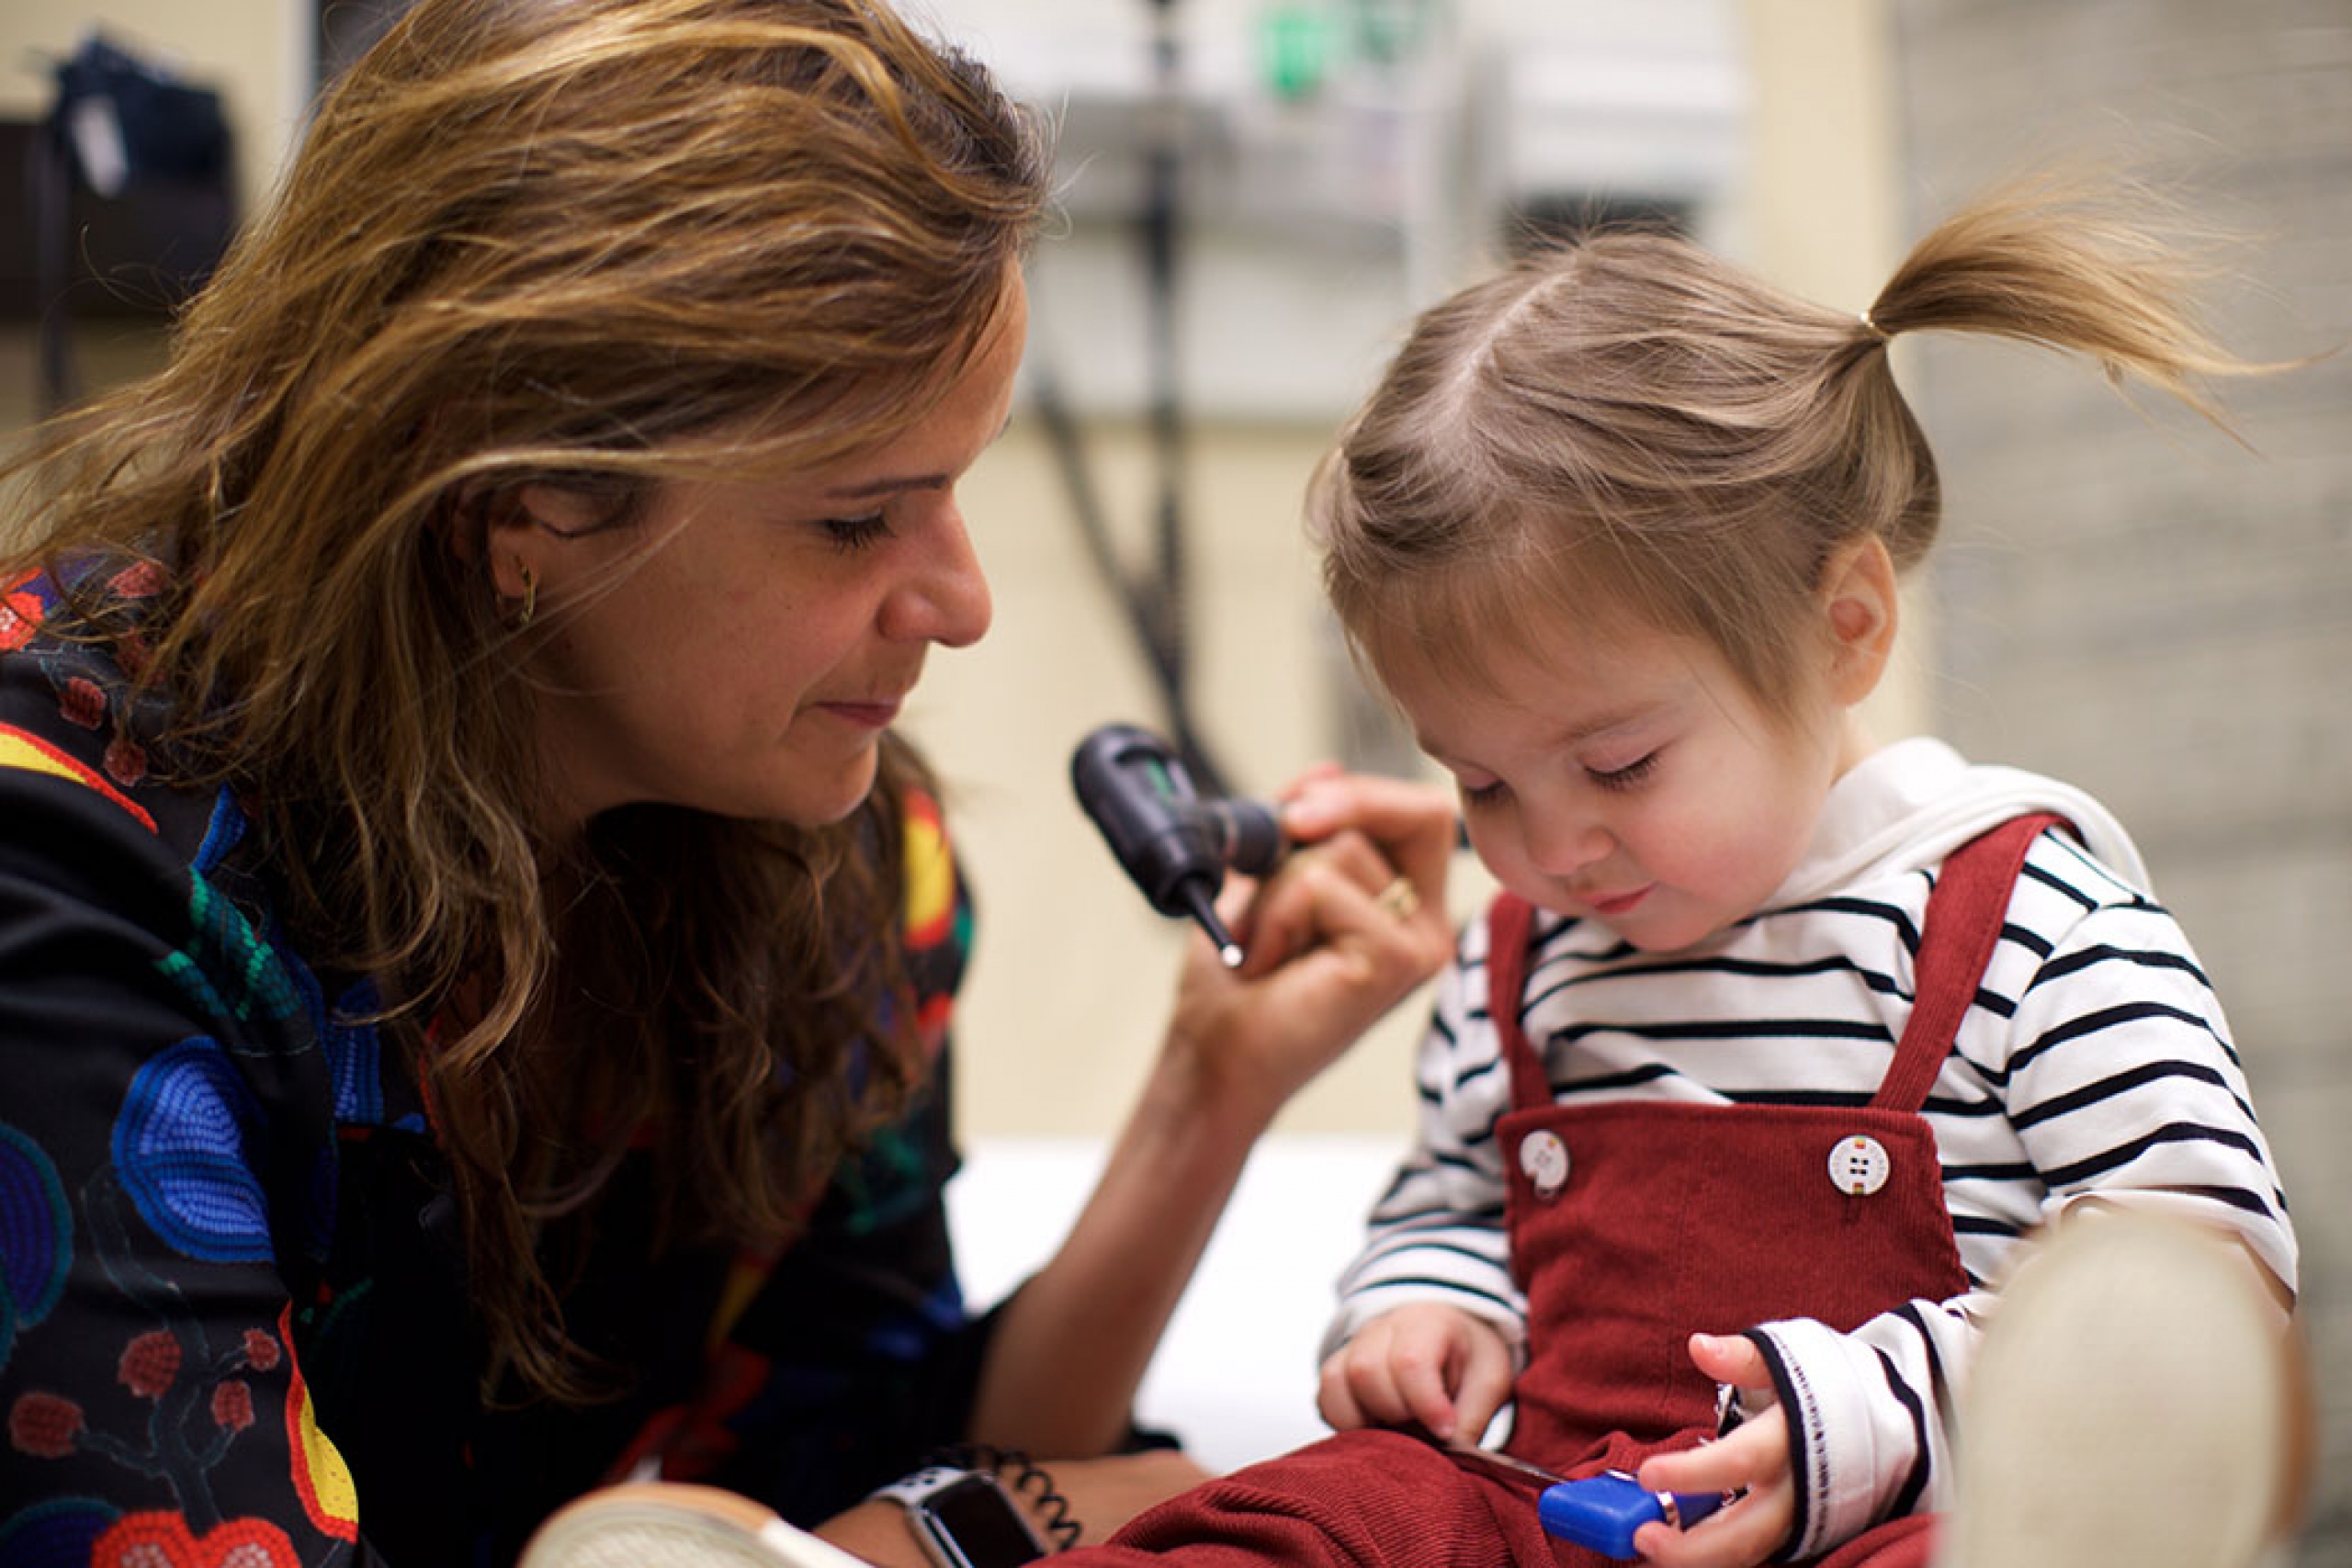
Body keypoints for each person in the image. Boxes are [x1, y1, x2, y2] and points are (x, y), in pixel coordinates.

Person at [0, 3, 1459, 1565]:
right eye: (856, 521)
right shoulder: (63, 861)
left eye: (958, 485)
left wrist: (1208, 1097)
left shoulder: (841, 864)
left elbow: (845, 1456)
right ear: (511, 493)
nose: (964, 605)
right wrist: (952, 1538)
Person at [1024, 172, 2304, 1568]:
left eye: (1622, 765)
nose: (1549, 848)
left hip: (1899, 1523)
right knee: (1318, 1511)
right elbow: (1454, 1207)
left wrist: (1876, 1418)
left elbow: (2200, 1302)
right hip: (1557, 1512)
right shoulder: (1521, 964)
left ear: (1847, 628)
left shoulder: (2040, 932)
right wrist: (1425, 1316)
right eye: (1482, 783)